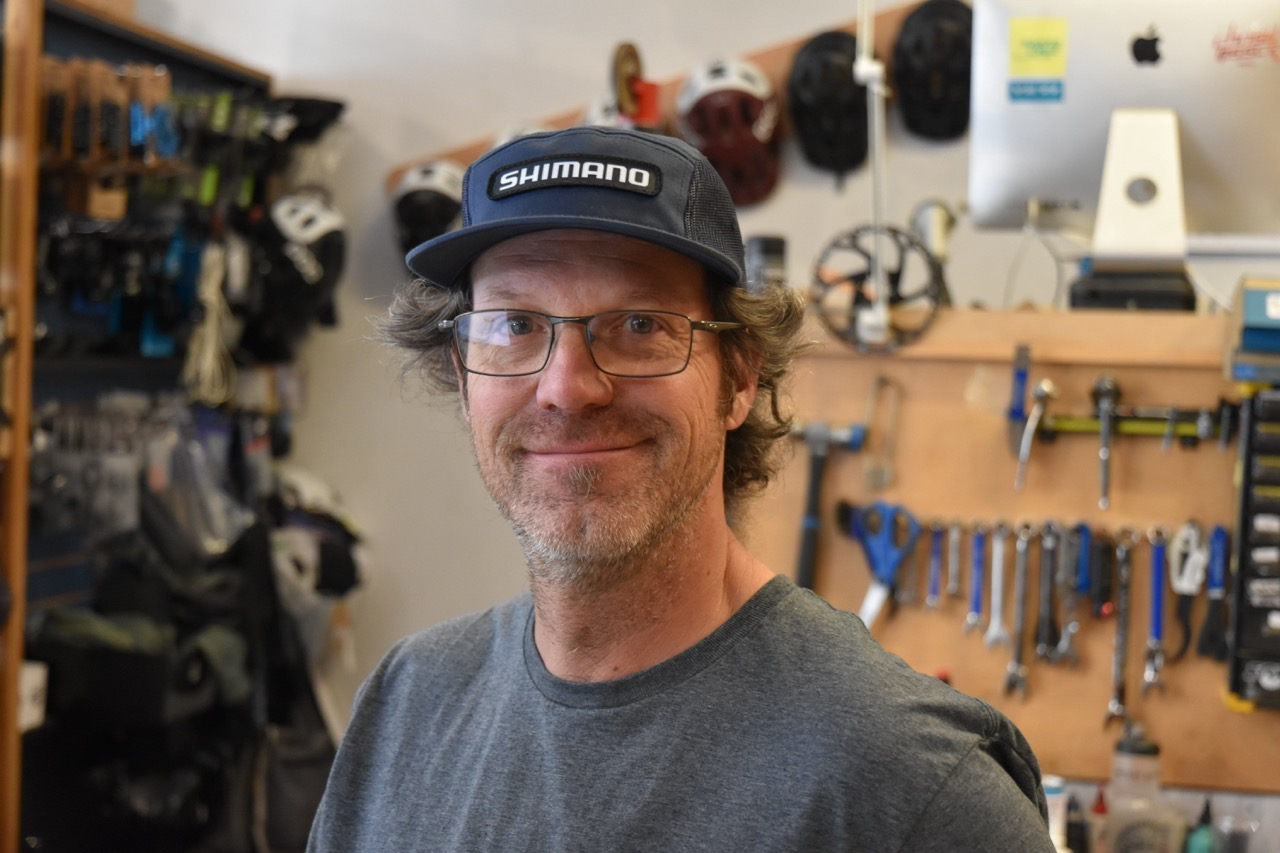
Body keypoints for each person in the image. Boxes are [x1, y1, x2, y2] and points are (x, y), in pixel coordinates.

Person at [308, 126, 1055, 851]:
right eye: (514, 324)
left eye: (638, 322)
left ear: (739, 378)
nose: (568, 388)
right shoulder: (406, 704)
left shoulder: (910, 786)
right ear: (464, 377)